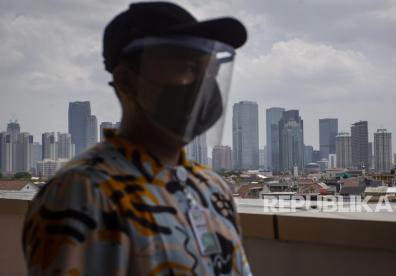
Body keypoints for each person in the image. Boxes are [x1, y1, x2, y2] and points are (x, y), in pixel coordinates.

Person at [22, 2, 251, 275]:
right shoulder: (84, 193)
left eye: (209, 72)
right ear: (127, 82)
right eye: (187, 67)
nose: (204, 86)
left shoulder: (212, 188)